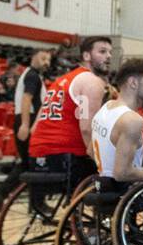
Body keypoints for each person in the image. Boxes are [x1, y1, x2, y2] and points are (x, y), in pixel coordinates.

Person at [28, 35, 112, 192]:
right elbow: (87, 129)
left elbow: (34, 129)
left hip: (36, 156)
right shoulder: (91, 81)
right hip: (66, 159)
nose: (108, 56)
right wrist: (102, 162)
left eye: (110, 52)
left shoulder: (59, 81)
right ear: (86, 56)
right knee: (114, 174)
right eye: (102, 51)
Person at [91, 57, 143, 191]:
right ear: (133, 83)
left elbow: (91, 151)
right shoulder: (132, 120)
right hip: (121, 191)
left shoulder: (106, 107)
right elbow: (121, 173)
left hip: (102, 185)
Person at [0, 48, 52, 210]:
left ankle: (4, 193)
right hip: (29, 119)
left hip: (26, 119)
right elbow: (27, 99)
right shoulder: (32, 76)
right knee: (37, 163)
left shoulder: (31, 75)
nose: (46, 62)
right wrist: (26, 124)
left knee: (28, 164)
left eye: (48, 59)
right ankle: (37, 204)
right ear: (33, 57)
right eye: (43, 58)